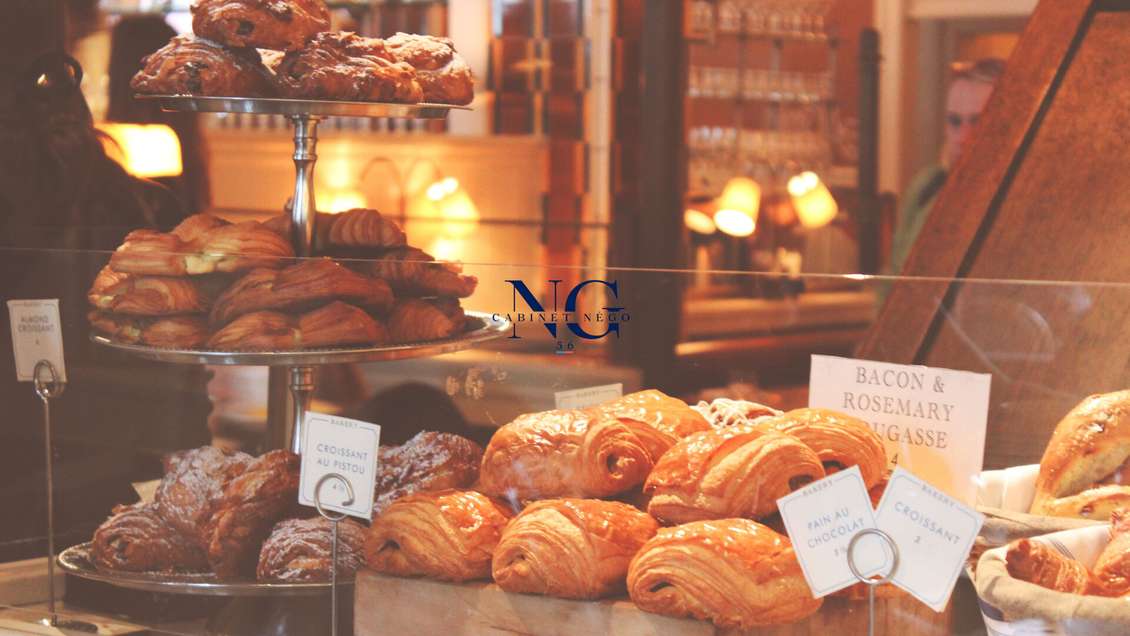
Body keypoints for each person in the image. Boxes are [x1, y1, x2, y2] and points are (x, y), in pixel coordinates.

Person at [887, 58, 1005, 276]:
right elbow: (894, 277)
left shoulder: (1023, 196)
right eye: (954, 121)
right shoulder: (927, 185)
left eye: (977, 121)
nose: (963, 137)